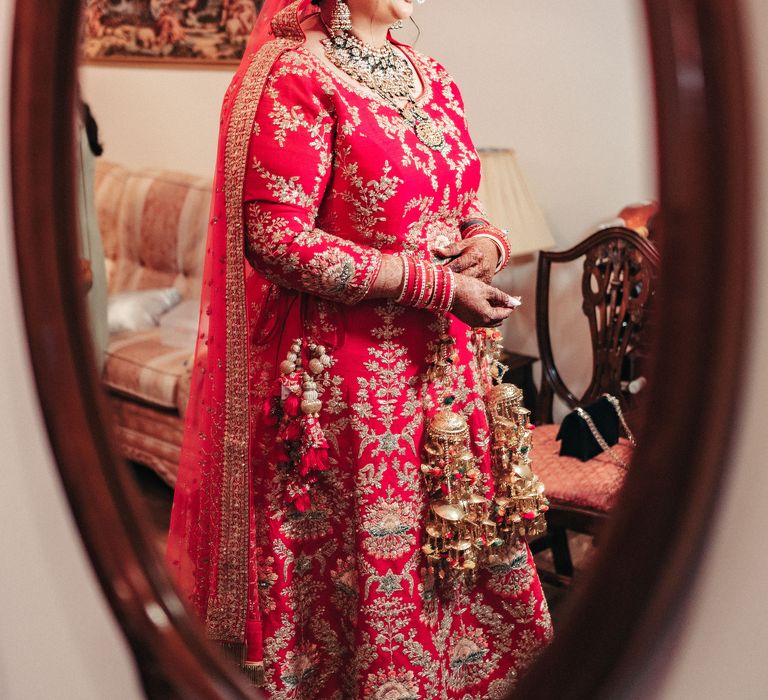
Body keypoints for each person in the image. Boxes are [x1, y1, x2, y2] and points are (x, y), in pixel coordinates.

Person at [166, 1, 553, 697]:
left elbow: (465, 197)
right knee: (378, 574)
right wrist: (431, 284)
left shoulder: (429, 72)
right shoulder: (293, 73)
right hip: (351, 385)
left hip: (448, 377)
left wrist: (487, 242)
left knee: (462, 549)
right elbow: (277, 240)